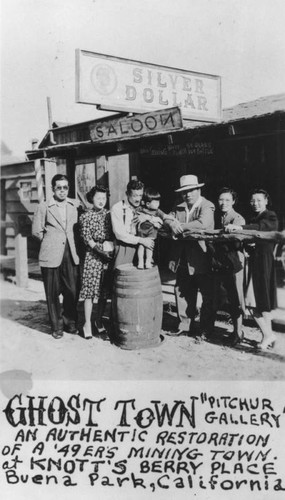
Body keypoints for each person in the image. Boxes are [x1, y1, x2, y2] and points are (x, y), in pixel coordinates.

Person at [225, 189, 279, 351]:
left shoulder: (270, 216)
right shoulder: (255, 218)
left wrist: (239, 227)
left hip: (263, 264)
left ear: (266, 201)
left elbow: (259, 228)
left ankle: (268, 334)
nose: (255, 203)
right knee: (260, 302)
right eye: (253, 201)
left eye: (259, 201)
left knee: (254, 303)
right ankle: (268, 335)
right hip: (256, 262)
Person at [166, 174, 215, 340]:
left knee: (207, 293)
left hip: (202, 257)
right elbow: (167, 218)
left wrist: (179, 227)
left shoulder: (207, 206)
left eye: (191, 190)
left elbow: (203, 224)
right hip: (182, 257)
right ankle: (184, 325)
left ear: (198, 189)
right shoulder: (179, 207)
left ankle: (205, 329)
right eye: (184, 191)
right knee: (182, 291)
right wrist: (170, 223)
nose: (188, 194)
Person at [32, 174, 80, 339]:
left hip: (71, 253)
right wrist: (51, 242)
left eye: (65, 187)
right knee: (52, 293)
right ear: (53, 189)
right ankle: (57, 327)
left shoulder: (75, 204)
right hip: (51, 253)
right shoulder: (44, 206)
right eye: (58, 187)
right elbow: (36, 231)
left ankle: (70, 322)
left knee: (72, 290)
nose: (62, 191)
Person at [210, 187, 245, 345]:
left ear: (234, 202)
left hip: (233, 264)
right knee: (221, 298)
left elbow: (236, 240)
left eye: (227, 200)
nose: (223, 203)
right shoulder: (218, 216)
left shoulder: (237, 218)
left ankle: (238, 332)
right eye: (221, 200)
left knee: (235, 298)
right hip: (219, 263)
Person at [79, 185, 114, 340]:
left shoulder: (110, 214)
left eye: (104, 198)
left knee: (104, 292)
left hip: (108, 251)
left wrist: (109, 252)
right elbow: (87, 238)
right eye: (98, 198)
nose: (101, 201)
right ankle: (87, 323)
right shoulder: (85, 216)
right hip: (93, 255)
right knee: (89, 291)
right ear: (91, 198)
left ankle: (98, 321)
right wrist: (100, 252)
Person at [110, 180, 155, 268]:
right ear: (127, 194)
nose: (138, 199)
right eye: (134, 196)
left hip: (143, 247)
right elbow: (120, 234)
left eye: (140, 195)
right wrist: (141, 240)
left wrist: (148, 217)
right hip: (125, 248)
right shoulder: (118, 208)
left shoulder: (145, 206)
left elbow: (159, 220)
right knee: (124, 277)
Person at [136, 187, 170, 269]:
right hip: (142, 230)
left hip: (151, 232)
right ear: (148, 204)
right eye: (156, 202)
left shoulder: (158, 211)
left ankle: (147, 262)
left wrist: (173, 219)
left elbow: (165, 216)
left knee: (149, 247)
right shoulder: (141, 209)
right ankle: (140, 262)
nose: (158, 204)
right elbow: (136, 213)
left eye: (158, 202)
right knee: (141, 246)